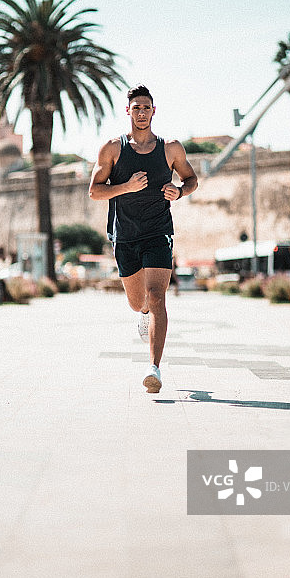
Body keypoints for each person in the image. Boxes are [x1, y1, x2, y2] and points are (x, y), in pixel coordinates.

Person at [89, 84, 198, 393]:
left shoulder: (170, 148)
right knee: (139, 302)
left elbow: (192, 180)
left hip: (158, 232)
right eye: (135, 107)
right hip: (124, 235)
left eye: (145, 107)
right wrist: (125, 187)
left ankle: (154, 368)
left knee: (159, 296)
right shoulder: (113, 149)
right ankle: (144, 314)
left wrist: (179, 191)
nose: (141, 112)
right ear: (128, 111)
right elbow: (94, 191)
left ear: (153, 111)